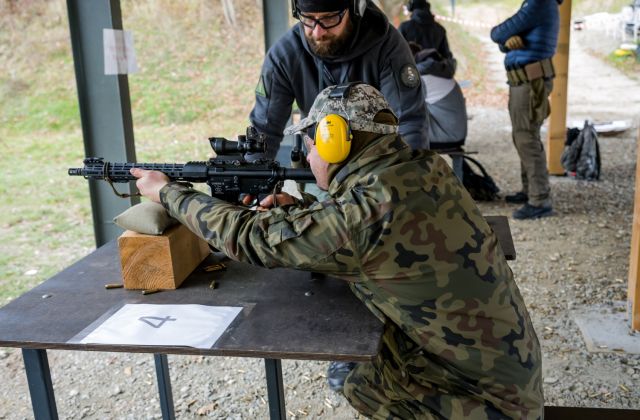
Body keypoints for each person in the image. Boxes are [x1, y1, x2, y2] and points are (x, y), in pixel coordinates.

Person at [132, 83, 544, 419]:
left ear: (334, 142)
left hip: (485, 404)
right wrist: (305, 211)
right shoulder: (422, 168)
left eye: (312, 144)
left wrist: (169, 194)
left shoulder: (365, 214)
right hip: (505, 377)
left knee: (353, 378)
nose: (309, 155)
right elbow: (369, 226)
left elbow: (253, 239)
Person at [248, 0, 428, 162]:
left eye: (328, 18)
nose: (318, 32)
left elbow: (408, 123)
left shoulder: (388, 48)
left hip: (376, 168)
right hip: (318, 167)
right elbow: (265, 129)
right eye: (308, 19)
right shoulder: (284, 57)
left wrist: (408, 180)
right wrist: (253, 181)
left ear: (355, 8)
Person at [490, 0, 562, 220]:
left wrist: (503, 39)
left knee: (526, 137)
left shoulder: (539, 3)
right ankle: (530, 190)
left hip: (530, 82)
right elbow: (507, 39)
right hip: (525, 81)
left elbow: (498, 32)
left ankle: (539, 199)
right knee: (523, 136)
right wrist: (506, 44)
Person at [408, 41, 467, 150]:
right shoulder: (435, 69)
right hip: (453, 131)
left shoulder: (423, 77)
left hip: (447, 136)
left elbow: (403, 104)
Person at [398, 0, 456, 78]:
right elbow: (447, 58)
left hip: (411, 79)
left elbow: (397, 56)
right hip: (436, 78)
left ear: (411, 7)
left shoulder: (404, 27)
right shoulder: (440, 29)